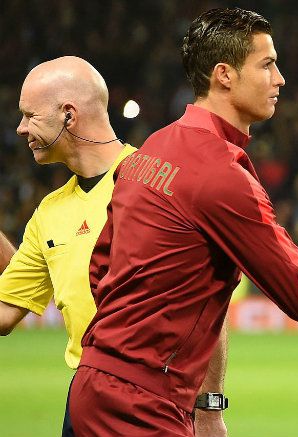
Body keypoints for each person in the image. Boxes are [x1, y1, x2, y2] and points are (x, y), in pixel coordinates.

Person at [68, 8, 298, 436]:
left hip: (91, 388)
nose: (280, 78)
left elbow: (100, 269)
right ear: (224, 75)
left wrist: (197, 396)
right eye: (267, 64)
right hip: (142, 407)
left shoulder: (148, 152)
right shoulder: (221, 175)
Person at [0, 56, 228, 437]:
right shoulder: (48, 213)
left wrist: (209, 409)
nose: (22, 128)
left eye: (29, 115)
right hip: (85, 401)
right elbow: (5, 313)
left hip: (154, 404)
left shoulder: (162, 182)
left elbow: (209, 309)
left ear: (68, 116)